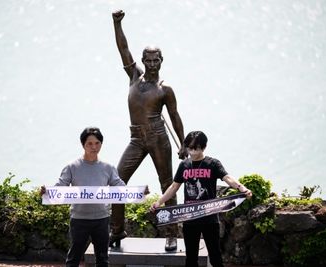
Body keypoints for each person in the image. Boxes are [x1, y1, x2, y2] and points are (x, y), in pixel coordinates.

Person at [110, 9, 188, 252]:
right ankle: (117, 229)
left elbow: (174, 116)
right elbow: (123, 49)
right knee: (117, 183)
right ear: (143, 61)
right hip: (136, 138)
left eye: (156, 60)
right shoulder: (134, 76)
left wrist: (183, 144)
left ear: (161, 61)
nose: (152, 64)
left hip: (158, 138)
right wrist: (117, 24)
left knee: (168, 185)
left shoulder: (166, 89)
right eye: (149, 60)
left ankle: (171, 234)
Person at [150, 131, 253, 267]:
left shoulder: (213, 164)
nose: (192, 152)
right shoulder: (184, 165)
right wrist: (159, 202)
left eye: (195, 148)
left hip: (210, 218)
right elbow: (174, 187)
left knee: (215, 255)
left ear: (203, 147)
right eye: (189, 148)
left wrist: (242, 188)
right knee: (191, 258)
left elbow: (227, 178)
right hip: (190, 216)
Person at [40, 127, 126, 267]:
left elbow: (120, 186)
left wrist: (139, 192)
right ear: (83, 145)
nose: (94, 147)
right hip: (79, 220)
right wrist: (47, 192)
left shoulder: (108, 167)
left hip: (102, 220)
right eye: (90, 144)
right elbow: (61, 186)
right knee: (74, 259)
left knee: (103, 259)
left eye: (97, 143)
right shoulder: (72, 167)